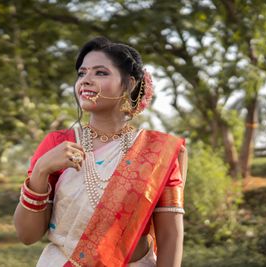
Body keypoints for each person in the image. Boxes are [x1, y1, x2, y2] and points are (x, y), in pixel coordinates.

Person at [13, 37, 188, 267]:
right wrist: (41, 170)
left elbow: (170, 236)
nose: (86, 80)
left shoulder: (155, 152)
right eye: (82, 73)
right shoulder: (59, 144)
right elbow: (27, 236)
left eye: (100, 73)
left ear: (130, 84)